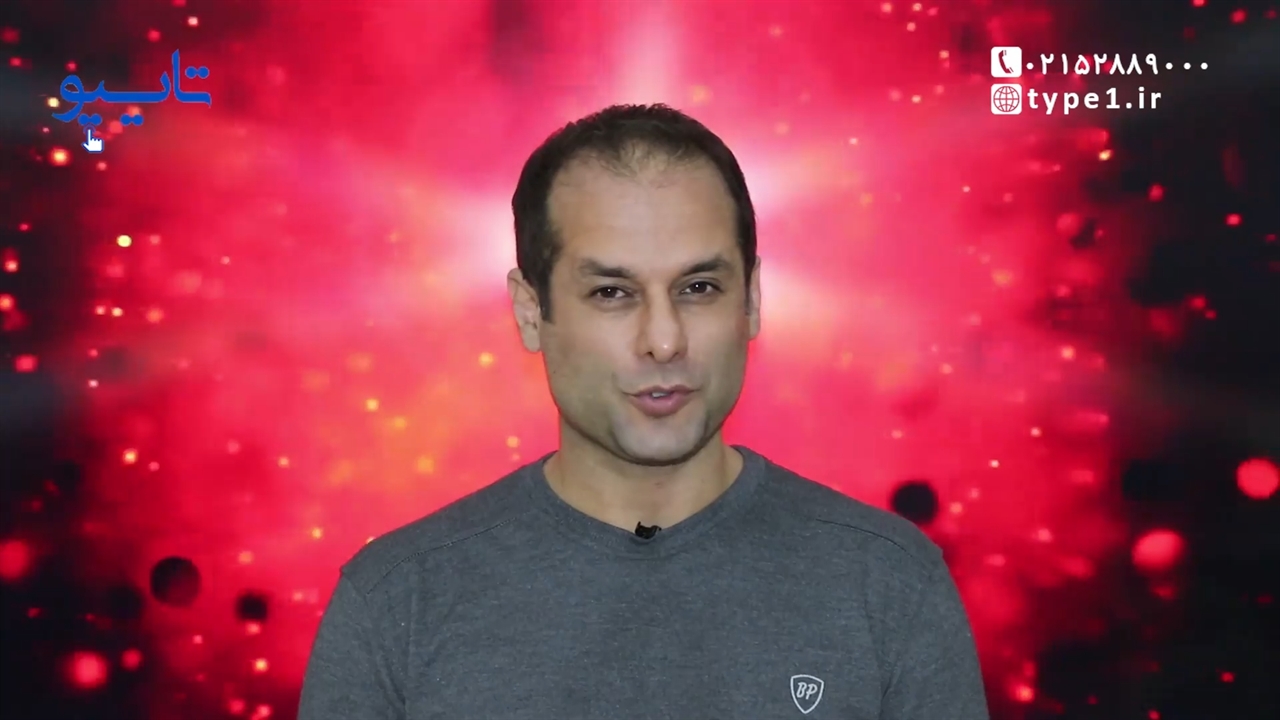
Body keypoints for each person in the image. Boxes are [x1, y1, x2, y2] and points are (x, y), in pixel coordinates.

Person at [297, 104, 990, 720]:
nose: (664, 340)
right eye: (612, 293)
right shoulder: (397, 602)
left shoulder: (888, 584)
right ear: (531, 311)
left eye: (699, 287)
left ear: (751, 300)